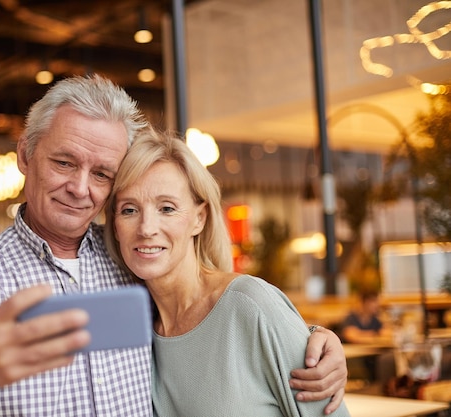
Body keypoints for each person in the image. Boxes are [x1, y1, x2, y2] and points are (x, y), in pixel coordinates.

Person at [0, 74, 347, 416]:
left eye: (101, 175)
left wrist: (310, 339)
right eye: (63, 162)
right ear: (24, 155)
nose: (80, 188)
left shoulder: (130, 260)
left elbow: (220, 319)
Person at [104, 129, 351, 416]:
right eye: (129, 210)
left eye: (167, 208)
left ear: (199, 218)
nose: (146, 228)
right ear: (114, 226)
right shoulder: (138, 330)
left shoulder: (249, 304)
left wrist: (306, 336)